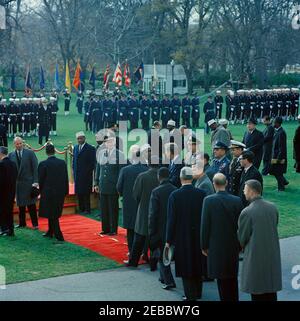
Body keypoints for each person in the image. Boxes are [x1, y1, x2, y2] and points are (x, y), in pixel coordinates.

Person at [166, 167, 206, 301]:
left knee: (185, 265)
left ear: (181, 178)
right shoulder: (202, 193)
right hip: (199, 235)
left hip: (182, 236)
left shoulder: (175, 195)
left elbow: (171, 220)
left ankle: (190, 295)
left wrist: (168, 240)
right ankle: (198, 292)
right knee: (198, 263)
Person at [201, 173, 243, 301]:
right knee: (232, 276)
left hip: (216, 245)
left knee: (221, 278)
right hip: (232, 244)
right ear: (227, 183)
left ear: (214, 184)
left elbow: (205, 225)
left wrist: (204, 245)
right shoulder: (237, 200)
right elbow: (240, 225)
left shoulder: (208, 201)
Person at [238, 180, 282, 301]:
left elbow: (242, 237)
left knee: (257, 292)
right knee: (271, 291)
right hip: (271, 255)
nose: (243, 191)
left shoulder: (247, 212)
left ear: (251, 191)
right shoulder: (273, 208)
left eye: (245, 189)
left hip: (255, 258)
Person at [127, 156, 160, 268]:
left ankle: (133, 262)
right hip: (157, 212)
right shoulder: (161, 177)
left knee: (138, 239)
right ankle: (154, 262)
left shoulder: (142, 176)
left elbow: (136, 195)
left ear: (148, 163)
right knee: (155, 240)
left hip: (144, 211)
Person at [148, 167, 177, 290]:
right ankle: (162, 277)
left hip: (160, 229)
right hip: (173, 227)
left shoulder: (156, 192)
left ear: (159, 177)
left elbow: (152, 214)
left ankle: (169, 281)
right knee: (165, 253)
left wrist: (151, 231)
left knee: (162, 255)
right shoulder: (175, 190)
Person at [116, 145, 148, 257]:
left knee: (130, 228)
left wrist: (123, 195)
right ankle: (143, 252)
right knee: (142, 228)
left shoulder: (125, 170)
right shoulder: (146, 169)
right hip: (142, 203)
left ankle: (131, 251)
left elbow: (119, 187)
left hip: (129, 202)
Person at [38, 144, 69, 241]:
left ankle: (58, 235)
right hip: (60, 192)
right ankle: (50, 231)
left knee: (52, 214)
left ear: (46, 152)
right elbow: (65, 178)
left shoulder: (43, 164)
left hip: (48, 193)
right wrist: (66, 191)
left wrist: (40, 191)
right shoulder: (62, 163)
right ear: (55, 151)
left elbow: (40, 180)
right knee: (53, 213)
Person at [95, 136, 125, 235]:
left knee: (113, 209)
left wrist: (119, 186)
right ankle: (105, 228)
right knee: (104, 209)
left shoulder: (120, 155)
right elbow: (98, 169)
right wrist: (96, 182)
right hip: (103, 184)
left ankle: (113, 229)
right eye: (107, 142)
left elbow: (121, 172)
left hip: (113, 186)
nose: (109, 144)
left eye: (111, 142)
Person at [9, 137, 39, 229]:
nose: (19, 145)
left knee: (31, 205)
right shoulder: (11, 155)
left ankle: (35, 224)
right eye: (17, 144)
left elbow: (35, 168)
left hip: (29, 183)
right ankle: (22, 223)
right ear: (14, 144)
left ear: (23, 143)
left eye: (20, 143)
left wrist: (35, 182)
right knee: (21, 205)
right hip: (18, 184)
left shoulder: (30, 153)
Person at [73, 132, 96, 215]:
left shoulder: (90, 148)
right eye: (78, 139)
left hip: (86, 175)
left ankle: (87, 209)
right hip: (77, 174)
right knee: (79, 192)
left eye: (81, 138)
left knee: (86, 192)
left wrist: (88, 172)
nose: (79, 140)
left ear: (84, 138)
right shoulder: (75, 148)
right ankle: (81, 208)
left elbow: (92, 162)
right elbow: (74, 160)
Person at [0, 146, 18, 236]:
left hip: (3, 193)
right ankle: (10, 230)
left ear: (1, 154)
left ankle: (4, 229)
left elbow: (1, 181)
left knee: (2, 211)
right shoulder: (13, 164)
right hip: (12, 191)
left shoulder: (1, 164)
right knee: (9, 211)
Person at [269, 117, 288, 192]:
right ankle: (284, 182)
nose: (272, 123)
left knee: (277, 172)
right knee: (274, 171)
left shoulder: (281, 133)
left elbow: (281, 147)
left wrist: (278, 159)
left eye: (274, 122)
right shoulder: (277, 131)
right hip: (275, 156)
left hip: (278, 157)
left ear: (277, 123)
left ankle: (281, 188)